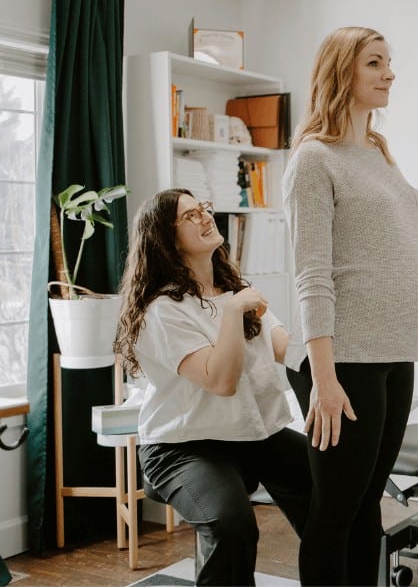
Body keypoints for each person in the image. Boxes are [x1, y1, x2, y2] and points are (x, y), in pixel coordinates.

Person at [282, 26, 418, 586]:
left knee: (368, 508)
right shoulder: (313, 159)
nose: (389, 73)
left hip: (395, 351)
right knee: (335, 515)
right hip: (346, 360)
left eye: (388, 62)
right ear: (342, 74)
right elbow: (312, 273)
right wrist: (323, 379)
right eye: (375, 63)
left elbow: (404, 240)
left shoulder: (377, 151)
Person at [114, 188, 311, 586]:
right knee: (232, 527)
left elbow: (284, 348)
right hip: (182, 446)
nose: (205, 216)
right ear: (165, 240)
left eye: (203, 208)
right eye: (189, 216)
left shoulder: (235, 288)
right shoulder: (162, 311)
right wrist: (235, 312)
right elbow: (221, 381)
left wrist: (337, 356)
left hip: (251, 434)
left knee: (335, 488)